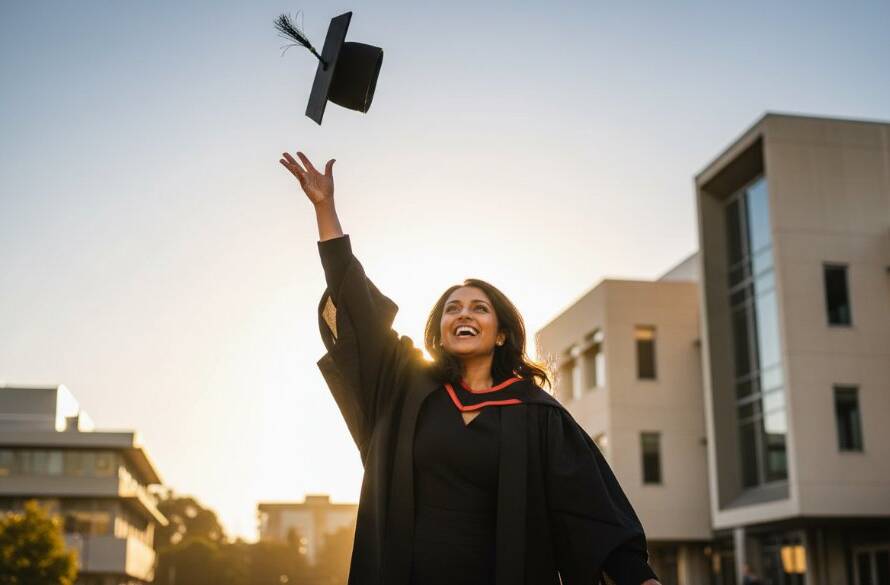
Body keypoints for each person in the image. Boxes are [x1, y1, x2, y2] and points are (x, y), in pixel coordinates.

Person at [280, 150, 662, 585]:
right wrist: (325, 210)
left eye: (479, 308)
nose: (463, 314)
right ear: (440, 330)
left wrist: (640, 578)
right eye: (452, 309)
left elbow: (589, 508)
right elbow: (360, 314)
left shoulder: (535, 413)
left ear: (501, 333)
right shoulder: (407, 388)